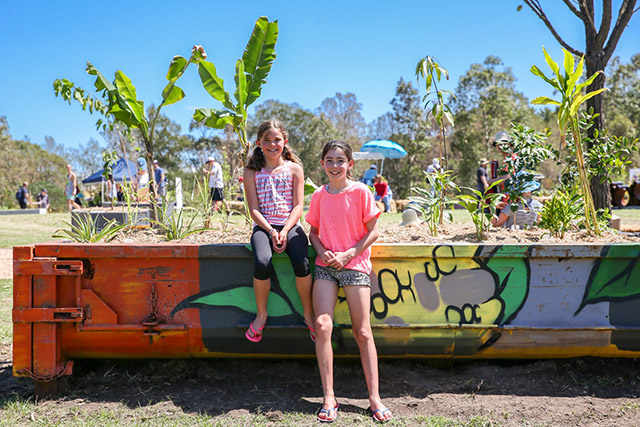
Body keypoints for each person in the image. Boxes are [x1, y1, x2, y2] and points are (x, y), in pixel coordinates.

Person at [306, 140, 393, 424]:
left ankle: (374, 398)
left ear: (350, 164)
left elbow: (374, 232)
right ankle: (329, 396)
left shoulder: (361, 192)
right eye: (329, 160)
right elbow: (314, 233)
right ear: (322, 164)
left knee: (363, 332)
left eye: (340, 161)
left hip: (354, 265)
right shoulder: (319, 195)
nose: (334, 166)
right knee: (322, 325)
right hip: (326, 268)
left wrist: (348, 254)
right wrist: (322, 252)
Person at [243, 119, 314, 344]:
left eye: (277, 140)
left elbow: (298, 206)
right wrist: (271, 231)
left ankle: (309, 314)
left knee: (301, 261)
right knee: (263, 261)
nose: (273, 145)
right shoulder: (251, 171)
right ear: (259, 143)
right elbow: (253, 208)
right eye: (267, 141)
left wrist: (284, 229)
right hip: (264, 226)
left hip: (291, 225)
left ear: (285, 141)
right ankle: (262, 314)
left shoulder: (295, 169)